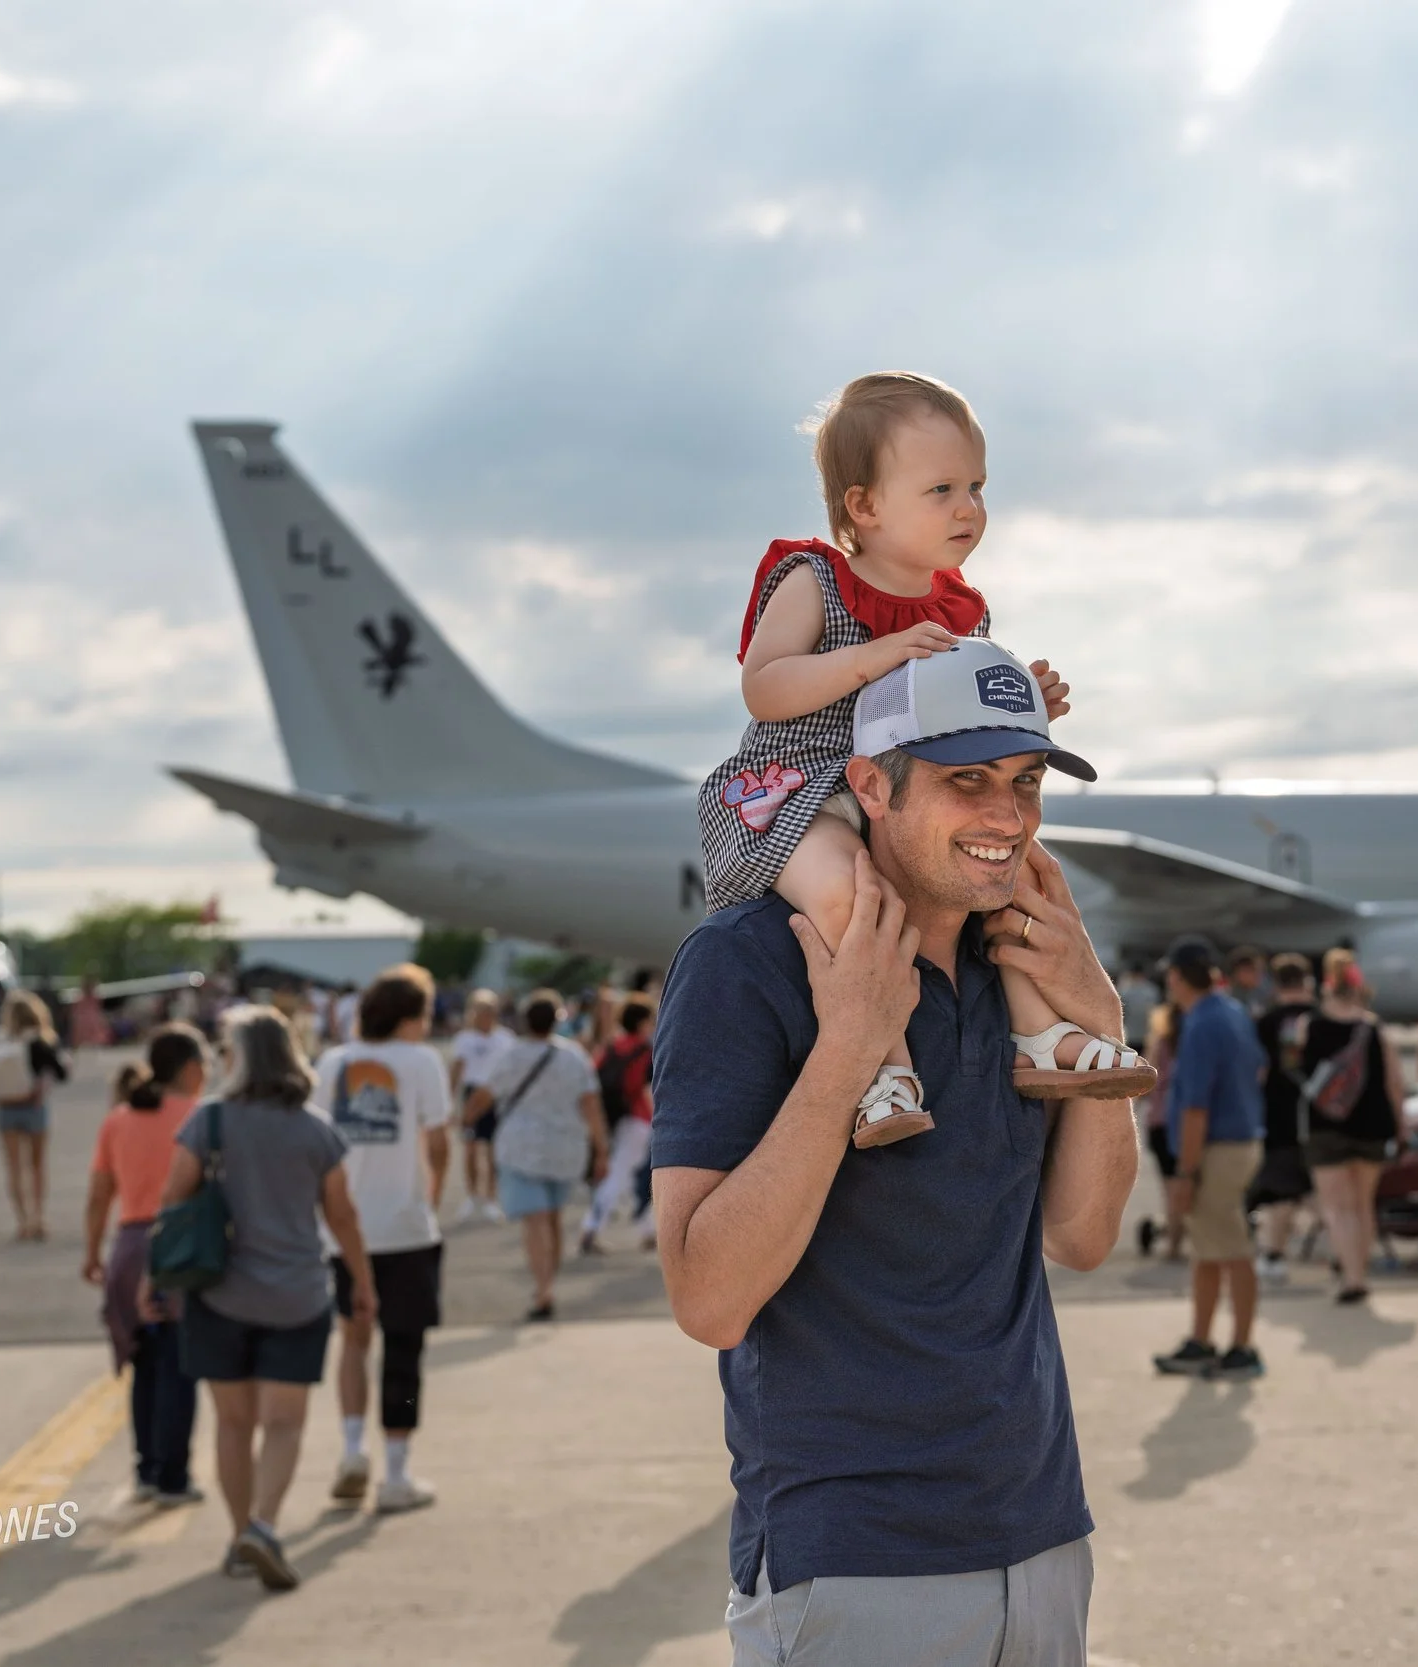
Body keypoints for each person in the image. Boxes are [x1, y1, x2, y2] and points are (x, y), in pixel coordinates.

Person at [652, 644, 1136, 1666]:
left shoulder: (1013, 968)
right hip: (854, 1559)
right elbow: (708, 1298)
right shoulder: (747, 961)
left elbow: (1083, 1235)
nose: (1008, 815)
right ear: (869, 784)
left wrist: (1099, 1016)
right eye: (967, 781)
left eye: (1025, 781)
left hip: (1042, 1532)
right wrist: (848, 1049)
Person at [696, 371, 1148, 1146]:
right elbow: (764, 688)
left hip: (901, 788)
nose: (969, 507)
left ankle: (1038, 1032)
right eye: (940, 488)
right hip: (802, 785)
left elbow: (950, 711)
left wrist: (1022, 701)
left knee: (1020, 880)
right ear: (864, 505)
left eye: (976, 486)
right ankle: (881, 1062)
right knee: (852, 893)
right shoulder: (816, 579)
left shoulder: (960, 607)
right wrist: (876, 656)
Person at [161, 1008, 374, 1591]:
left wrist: (150, 1278)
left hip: (221, 1293)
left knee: (234, 1423)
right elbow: (343, 1216)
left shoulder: (209, 1124)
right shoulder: (314, 1129)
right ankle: (264, 1524)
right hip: (297, 1296)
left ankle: (238, 1536)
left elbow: (173, 1200)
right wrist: (362, 1283)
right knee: (284, 1422)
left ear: (237, 1057)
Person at [308, 968, 451, 1515]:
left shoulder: (332, 1062)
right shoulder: (422, 1062)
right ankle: (396, 1470)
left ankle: (350, 1450)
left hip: (346, 1227)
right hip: (407, 1226)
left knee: (354, 1339)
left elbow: (320, 1146)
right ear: (411, 1016)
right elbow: (438, 1143)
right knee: (405, 1349)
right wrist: (429, 1199)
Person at [83, 1025, 209, 1506]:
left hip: (129, 1247)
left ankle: (147, 1470)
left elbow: (99, 1194)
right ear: (192, 1069)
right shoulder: (200, 1116)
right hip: (181, 1246)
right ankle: (174, 1474)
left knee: (144, 1365)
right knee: (180, 1366)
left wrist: (93, 1251)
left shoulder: (118, 1119)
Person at [1151, 935, 1269, 1380]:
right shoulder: (1232, 1012)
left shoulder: (1200, 1023)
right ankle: (1202, 1340)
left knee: (1232, 1248)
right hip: (1239, 1139)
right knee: (1210, 1249)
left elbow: (1196, 1106)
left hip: (1216, 1147)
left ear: (1178, 978)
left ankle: (1242, 1347)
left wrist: (1185, 1171)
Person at [465, 992, 608, 1320]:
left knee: (535, 1221)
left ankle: (542, 1288)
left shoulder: (511, 1055)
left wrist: (466, 1118)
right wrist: (601, 1149)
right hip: (566, 1147)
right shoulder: (574, 1057)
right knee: (553, 1218)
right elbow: (591, 1105)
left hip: (521, 1148)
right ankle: (549, 1283)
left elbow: (484, 1094)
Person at [1299, 948, 1402, 1305]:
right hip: (1373, 1125)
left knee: (1337, 1207)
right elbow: (1393, 1083)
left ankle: (1351, 1277)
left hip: (1326, 1125)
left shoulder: (1309, 1025)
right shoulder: (1373, 1028)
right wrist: (1401, 1126)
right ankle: (1361, 1271)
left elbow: (1297, 1073)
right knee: (1362, 1205)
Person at [1248, 953, 1318, 1286]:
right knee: (1325, 1191)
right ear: (1307, 981)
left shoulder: (1265, 1021)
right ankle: (1344, 1260)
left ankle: (1274, 1255)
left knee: (1279, 1190)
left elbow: (1256, 1072)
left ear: (1276, 983)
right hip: (1326, 1117)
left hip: (1278, 1115)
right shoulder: (1324, 1017)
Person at [0, 990, 70, 1241]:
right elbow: (61, 1073)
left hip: (5, 1109)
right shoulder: (40, 1041)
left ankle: (22, 1220)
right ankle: (38, 1217)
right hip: (34, 1107)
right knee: (37, 1165)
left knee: (14, 1167)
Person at [583, 1001, 655, 1252]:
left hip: (617, 1116)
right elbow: (648, 1088)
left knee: (640, 1175)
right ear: (642, 1022)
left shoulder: (612, 1046)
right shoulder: (646, 1049)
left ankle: (647, 1229)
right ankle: (592, 1228)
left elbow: (591, 1076)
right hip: (641, 1117)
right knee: (622, 1175)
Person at [448, 990, 513, 1225]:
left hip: (496, 1096)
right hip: (472, 1094)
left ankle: (491, 1198)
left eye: (488, 1011)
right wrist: (451, 1100)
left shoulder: (505, 1038)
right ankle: (472, 1196)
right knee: (471, 1148)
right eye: (479, 1010)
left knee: (494, 1149)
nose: (484, 1015)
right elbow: (457, 1069)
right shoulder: (464, 1039)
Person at [1136, 1001, 1189, 1260]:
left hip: (1161, 1122)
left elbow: (1146, 1083)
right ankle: (1180, 1237)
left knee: (1169, 1187)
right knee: (1186, 1181)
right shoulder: (1195, 1043)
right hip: (1189, 1121)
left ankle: (1174, 1245)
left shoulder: (1160, 1043)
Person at [1226, 946, 1271, 1017]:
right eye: (1251, 970)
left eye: (1261, 970)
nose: (1258, 974)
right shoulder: (1227, 999)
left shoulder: (1268, 994)